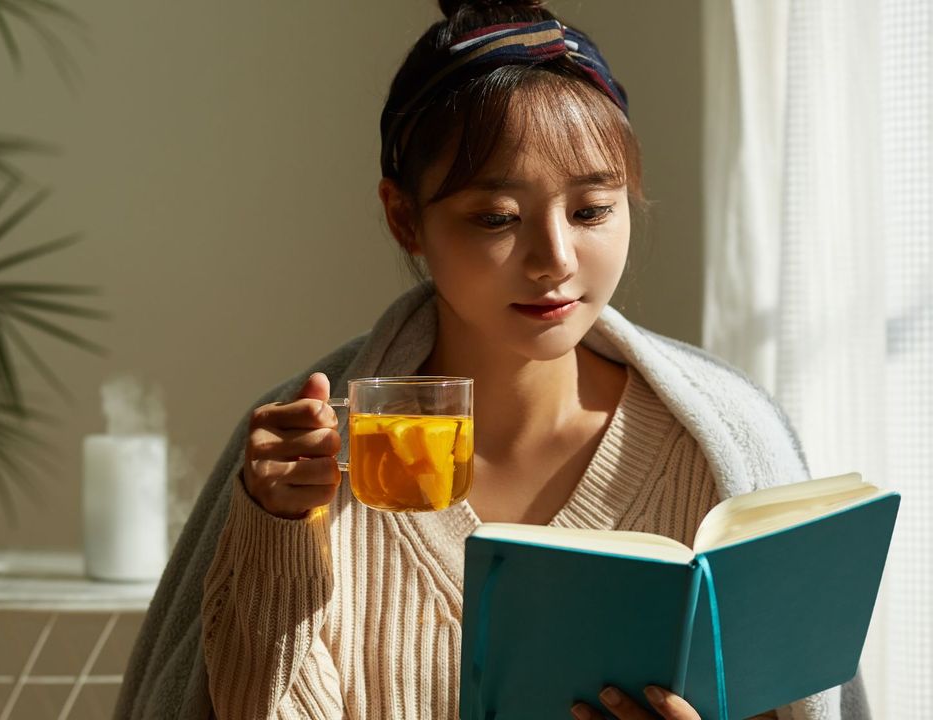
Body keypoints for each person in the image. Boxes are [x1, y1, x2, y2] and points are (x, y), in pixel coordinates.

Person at [115, 1, 872, 718]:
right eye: (496, 218)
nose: (554, 260)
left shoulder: (723, 447)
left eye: (591, 211)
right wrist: (272, 527)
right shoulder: (306, 455)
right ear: (405, 218)